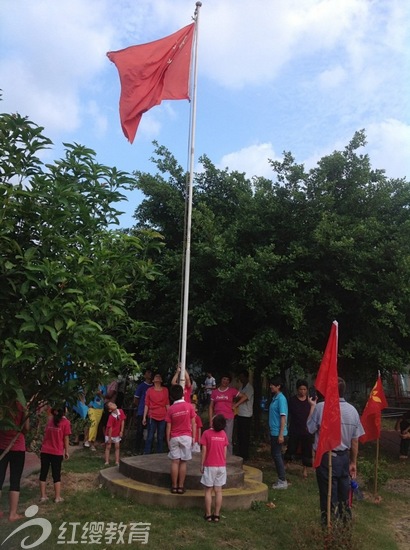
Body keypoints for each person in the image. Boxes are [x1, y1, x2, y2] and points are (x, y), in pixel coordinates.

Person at [307, 377, 365, 525]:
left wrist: (312, 406)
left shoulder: (321, 407)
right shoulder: (352, 411)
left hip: (327, 458)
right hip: (344, 457)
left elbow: (309, 428)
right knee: (344, 493)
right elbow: (354, 440)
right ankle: (345, 527)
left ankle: (329, 526)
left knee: (328, 494)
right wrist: (353, 462)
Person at [0, 400, 30, 521]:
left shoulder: (3, 402)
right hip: (18, 446)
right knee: (15, 480)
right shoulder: (22, 405)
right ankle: (13, 514)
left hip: (1, 445)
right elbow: (26, 428)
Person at [165, 385, 196, 494]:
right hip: (186, 437)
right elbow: (193, 423)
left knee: (175, 461)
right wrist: (194, 437)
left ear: (172, 397)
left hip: (174, 437)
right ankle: (181, 487)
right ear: (182, 393)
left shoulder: (171, 409)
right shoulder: (189, 406)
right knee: (183, 462)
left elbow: (168, 426)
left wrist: (168, 440)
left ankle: (174, 486)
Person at [39, 405, 71, 503]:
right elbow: (66, 438)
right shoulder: (66, 423)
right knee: (56, 474)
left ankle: (43, 496)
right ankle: (57, 497)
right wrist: (67, 451)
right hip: (56, 452)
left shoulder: (49, 421)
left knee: (43, 473)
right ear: (64, 411)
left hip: (45, 450)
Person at [200, 414, 229, 522]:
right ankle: (216, 514)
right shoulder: (224, 434)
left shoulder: (206, 434)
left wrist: (202, 464)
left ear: (212, 423)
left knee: (208, 490)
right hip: (221, 466)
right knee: (218, 491)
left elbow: (204, 450)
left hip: (209, 465)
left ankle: (208, 514)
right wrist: (223, 462)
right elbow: (225, 451)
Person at [209, 374, 247, 455]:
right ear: (221, 380)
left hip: (228, 417)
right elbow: (211, 406)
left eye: (227, 380)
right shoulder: (215, 392)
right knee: (216, 436)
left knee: (228, 438)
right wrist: (210, 419)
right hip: (217, 418)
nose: (225, 381)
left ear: (229, 382)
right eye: (224, 379)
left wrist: (235, 405)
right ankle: (216, 454)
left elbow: (244, 397)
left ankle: (229, 456)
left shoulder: (232, 390)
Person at [284, 379, 313, 478]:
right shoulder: (292, 400)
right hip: (294, 428)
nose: (303, 391)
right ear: (297, 389)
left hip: (306, 429)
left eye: (305, 389)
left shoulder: (310, 401)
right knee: (291, 447)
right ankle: (286, 464)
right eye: (301, 389)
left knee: (307, 449)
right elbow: (288, 415)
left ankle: (305, 469)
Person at [269, 377, 288, 489]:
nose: (271, 386)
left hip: (278, 432)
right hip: (274, 431)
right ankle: (281, 478)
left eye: (273, 384)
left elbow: (283, 417)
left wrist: (281, 434)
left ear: (278, 386)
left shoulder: (281, 399)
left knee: (276, 455)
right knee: (276, 455)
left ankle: (282, 480)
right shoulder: (275, 398)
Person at [142, 373, 170, 454]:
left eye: (159, 377)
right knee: (150, 436)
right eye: (156, 377)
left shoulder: (165, 390)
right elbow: (146, 404)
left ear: (161, 380)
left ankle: (159, 453)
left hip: (163, 415)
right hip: (152, 415)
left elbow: (167, 403)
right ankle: (146, 453)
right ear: (153, 380)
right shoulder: (149, 390)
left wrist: (170, 415)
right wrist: (144, 417)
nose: (158, 378)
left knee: (160, 436)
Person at [133, 369, 153, 455]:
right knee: (139, 431)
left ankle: (147, 449)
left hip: (151, 412)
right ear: (144, 375)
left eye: (150, 373)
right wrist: (140, 407)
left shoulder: (153, 387)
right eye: (148, 372)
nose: (150, 374)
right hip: (141, 411)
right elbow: (135, 399)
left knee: (150, 431)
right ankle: (137, 449)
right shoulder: (141, 386)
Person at [235, 370, 254, 461]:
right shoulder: (241, 387)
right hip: (239, 413)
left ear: (246, 377)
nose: (240, 379)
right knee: (240, 434)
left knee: (245, 435)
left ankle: (245, 454)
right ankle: (240, 452)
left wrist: (236, 404)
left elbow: (245, 398)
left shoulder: (249, 388)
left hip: (246, 414)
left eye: (242, 377)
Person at [84, 384, 105, 451]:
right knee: (94, 423)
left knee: (95, 426)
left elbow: (104, 396)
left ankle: (88, 440)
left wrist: (99, 393)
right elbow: (85, 393)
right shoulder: (91, 383)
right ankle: (91, 442)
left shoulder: (104, 386)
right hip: (92, 407)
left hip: (100, 408)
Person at [104, 402, 127, 466]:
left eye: (112, 403)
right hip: (109, 434)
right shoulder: (111, 417)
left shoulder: (121, 411)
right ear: (110, 410)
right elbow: (110, 428)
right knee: (108, 447)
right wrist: (109, 438)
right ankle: (107, 461)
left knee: (117, 447)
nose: (113, 404)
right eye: (111, 405)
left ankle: (117, 461)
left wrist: (121, 431)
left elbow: (122, 421)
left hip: (117, 433)